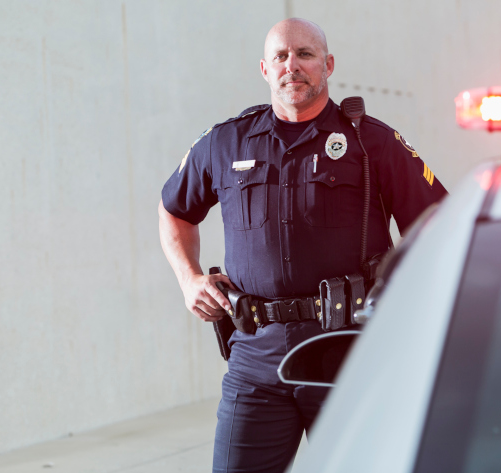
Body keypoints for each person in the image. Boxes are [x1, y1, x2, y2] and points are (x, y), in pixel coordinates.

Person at [158, 18, 447, 473]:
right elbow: (174, 209)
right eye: (281, 57)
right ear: (265, 69)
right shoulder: (225, 142)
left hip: (350, 354)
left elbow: (438, 225)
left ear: (328, 64)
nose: (293, 65)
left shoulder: (372, 142)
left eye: (306, 55)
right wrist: (188, 278)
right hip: (254, 357)